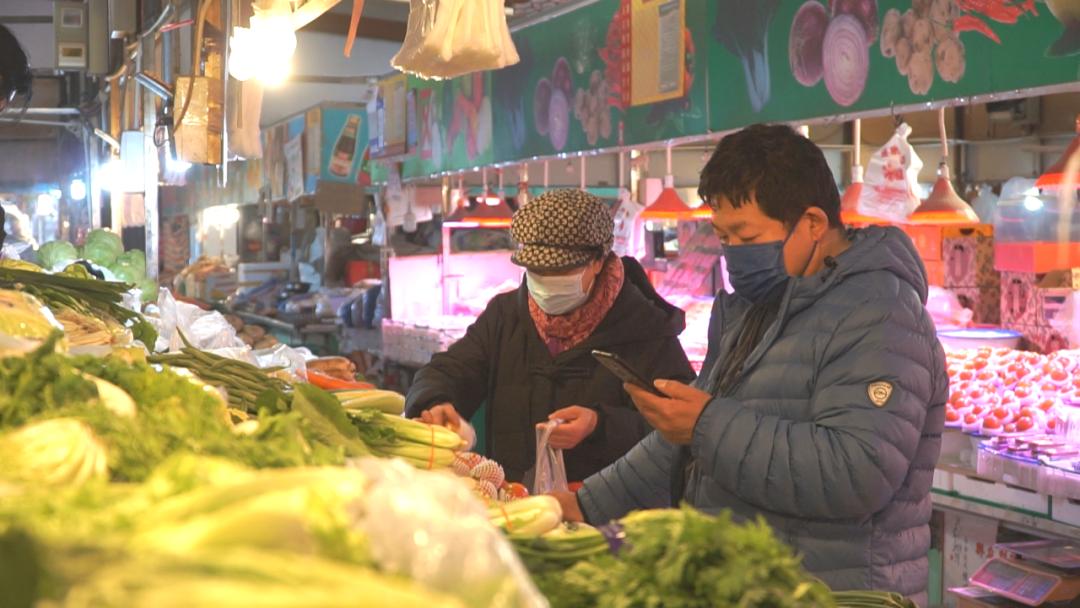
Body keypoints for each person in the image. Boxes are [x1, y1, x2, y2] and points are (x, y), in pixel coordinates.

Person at [552, 124, 947, 605]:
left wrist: (706, 425)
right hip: (752, 588)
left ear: (814, 224)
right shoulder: (760, 308)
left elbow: (858, 472)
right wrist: (584, 504)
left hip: (827, 592)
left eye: (746, 234)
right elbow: (681, 446)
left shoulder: (881, 316)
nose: (732, 252)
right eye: (723, 235)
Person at [405, 189, 694, 484]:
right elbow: (450, 369)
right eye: (536, 269)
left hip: (604, 508)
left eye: (562, 269)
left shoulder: (645, 328)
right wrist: (435, 399)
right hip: (513, 498)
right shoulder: (505, 316)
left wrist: (599, 424)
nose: (547, 281)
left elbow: (678, 427)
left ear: (598, 260)